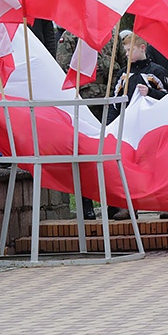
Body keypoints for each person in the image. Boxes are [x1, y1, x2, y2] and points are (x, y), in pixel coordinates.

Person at [56, 31, 125, 220]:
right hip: (84, 101)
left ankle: (114, 203)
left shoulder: (112, 33)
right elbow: (63, 69)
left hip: (108, 100)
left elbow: (124, 66)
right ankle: (85, 202)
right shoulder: (71, 35)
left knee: (110, 152)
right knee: (84, 155)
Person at [109, 32, 168, 220]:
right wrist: (109, 125)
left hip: (151, 127)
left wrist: (151, 92)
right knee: (129, 166)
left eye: (130, 50)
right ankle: (129, 206)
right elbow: (115, 102)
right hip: (129, 129)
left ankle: (164, 204)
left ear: (142, 48)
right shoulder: (123, 73)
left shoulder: (157, 71)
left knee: (157, 164)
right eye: (125, 50)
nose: (127, 54)